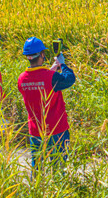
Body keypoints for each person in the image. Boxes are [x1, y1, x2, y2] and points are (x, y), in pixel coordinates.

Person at [18, 36, 76, 169]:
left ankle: (36, 189)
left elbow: (39, 81)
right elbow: (69, 79)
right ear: (42, 55)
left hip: (36, 131)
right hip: (56, 130)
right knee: (59, 166)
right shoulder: (51, 77)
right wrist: (62, 64)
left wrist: (53, 68)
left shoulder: (22, 79)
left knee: (37, 167)